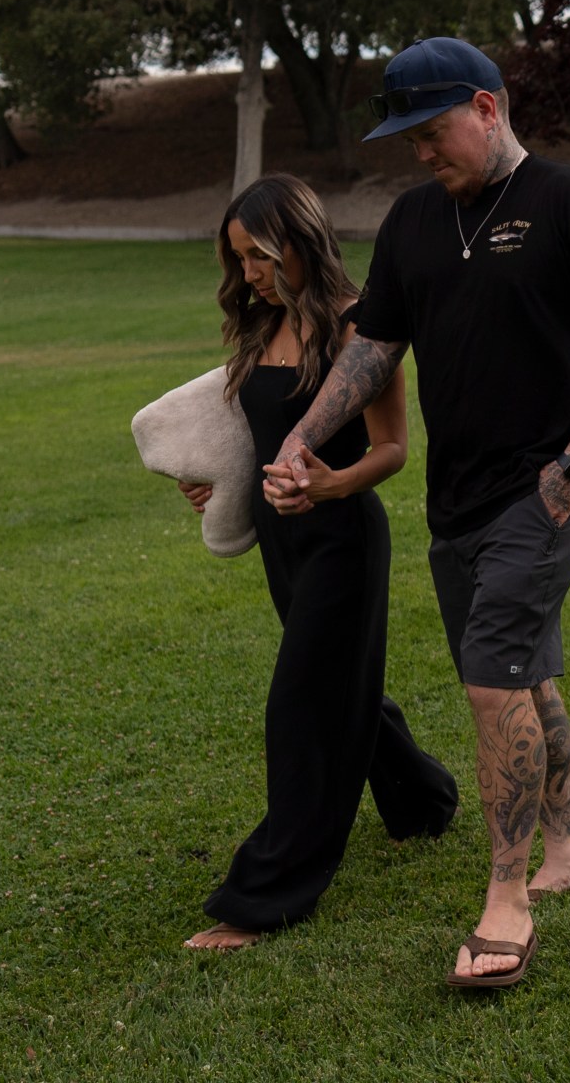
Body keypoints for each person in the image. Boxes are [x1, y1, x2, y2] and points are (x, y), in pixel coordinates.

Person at [265, 37, 570, 990]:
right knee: (521, 673)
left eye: (434, 131)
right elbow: (371, 351)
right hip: (460, 498)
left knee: (489, 682)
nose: (422, 153)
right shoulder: (410, 222)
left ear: (488, 107)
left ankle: (507, 900)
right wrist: (304, 440)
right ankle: (569, 847)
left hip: (546, 490)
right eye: (408, 138)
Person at [179, 173, 461, 951]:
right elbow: (260, 440)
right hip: (283, 540)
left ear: (299, 240)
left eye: (260, 256)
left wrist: (335, 481)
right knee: (345, 691)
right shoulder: (262, 326)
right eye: (238, 261)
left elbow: (394, 449)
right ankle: (424, 801)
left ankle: (266, 896)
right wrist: (219, 485)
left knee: (302, 704)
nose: (249, 276)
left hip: (344, 540)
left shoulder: (359, 328)